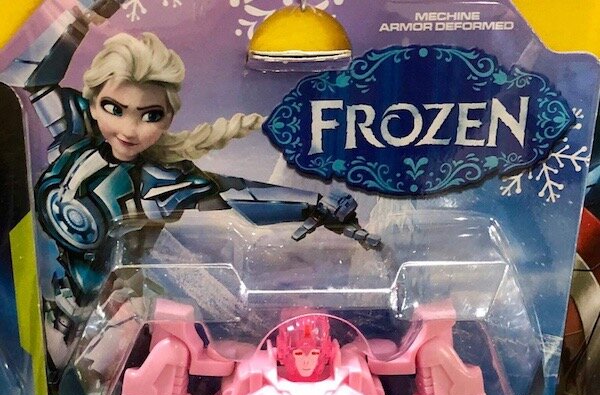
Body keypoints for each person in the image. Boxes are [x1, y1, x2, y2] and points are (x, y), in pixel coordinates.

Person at [3, 0, 377, 373]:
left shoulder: (153, 184)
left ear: (167, 118)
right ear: (93, 102)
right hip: (44, 301)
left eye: (150, 115)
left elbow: (235, 194)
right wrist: (81, 15)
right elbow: (26, 77)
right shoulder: (74, 136)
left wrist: (314, 203)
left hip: (102, 318)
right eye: (115, 108)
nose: (130, 130)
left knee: (97, 374)